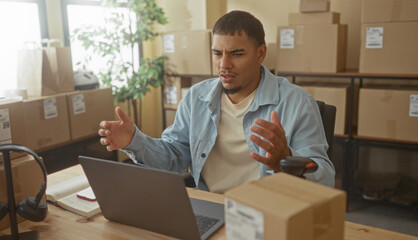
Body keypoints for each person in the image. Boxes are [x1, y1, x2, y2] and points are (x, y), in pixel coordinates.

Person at [98, 10, 335, 193]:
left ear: (260, 54)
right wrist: (134, 140)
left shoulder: (297, 103)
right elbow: (173, 155)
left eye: (236, 54)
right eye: (217, 53)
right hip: (211, 206)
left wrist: (286, 161)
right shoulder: (195, 98)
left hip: (267, 214)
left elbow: (325, 179)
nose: (224, 65)